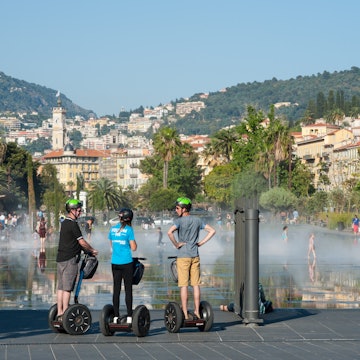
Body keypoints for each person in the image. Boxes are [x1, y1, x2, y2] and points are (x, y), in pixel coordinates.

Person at [167, 197, 216, 320]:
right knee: (195, 285)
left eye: (177, 208)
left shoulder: (178, 221)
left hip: (183, 256)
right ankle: (197, 312)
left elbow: (169, 232)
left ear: (184, 209)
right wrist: (201, 243)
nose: (176, 210)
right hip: (195, 255)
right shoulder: (197, 220)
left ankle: (184, 313)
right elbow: (212, 231)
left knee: (183, 285)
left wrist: (177, 244)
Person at [56, 199, 98, 321]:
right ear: (72, 210)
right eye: (78, 210)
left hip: (61, 258)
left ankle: (59, 312)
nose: (80, 213)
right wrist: (92, 250)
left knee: (60, 287)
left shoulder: (64, 223)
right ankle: (64, 313)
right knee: (68, 287)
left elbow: (73, 242)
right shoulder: (73, 224)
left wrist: (86, 251)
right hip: (70, 259)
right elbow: (82, 242)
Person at [109, 208, 137, 324]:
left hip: (115, 263)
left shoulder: (112, 229)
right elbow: (134, 248)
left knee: (116, 290)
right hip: (126, 263)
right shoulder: (129, 230)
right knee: (128, 289)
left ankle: (116, 316)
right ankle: (129, 316)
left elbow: (111, 245)